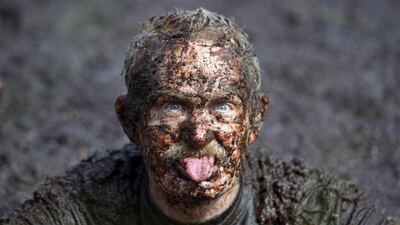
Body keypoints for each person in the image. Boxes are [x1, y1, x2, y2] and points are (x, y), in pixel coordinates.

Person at [1, 8, 398, 225]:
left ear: (255, 121)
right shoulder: (82, 204)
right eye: (173, 105)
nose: (199, 132)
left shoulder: (309, 207)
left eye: (223, 106)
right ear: (130, 120)